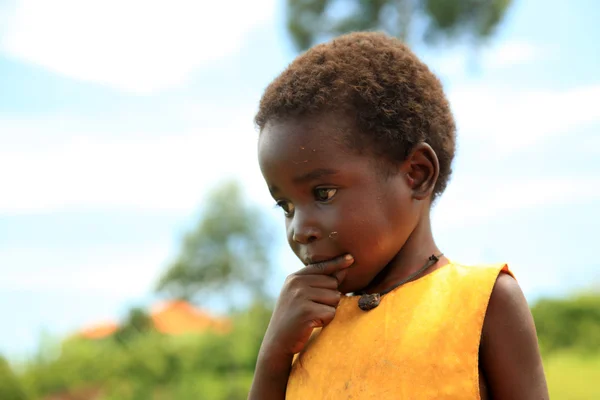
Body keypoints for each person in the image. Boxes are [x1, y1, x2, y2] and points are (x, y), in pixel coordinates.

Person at [248, 32, 548, 399]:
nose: (299, 230)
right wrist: (273, 357)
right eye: (287, 207)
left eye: (323, 193)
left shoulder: (484, 303)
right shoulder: (306, 328)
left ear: (416, 175)